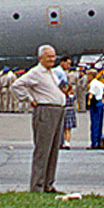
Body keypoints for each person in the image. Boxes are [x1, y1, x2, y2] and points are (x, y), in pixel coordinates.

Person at [12, 45, 68, 193]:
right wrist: (29, 99)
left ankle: (48, 184)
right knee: (43, 150)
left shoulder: (51, 72)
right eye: (49, 57)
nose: (52, 59)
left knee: (54, 150)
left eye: (53, 56)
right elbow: (17, 85)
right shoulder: (36, 72)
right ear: (40, 58)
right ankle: (37, 186)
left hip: (57, 110)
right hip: (45, 111)